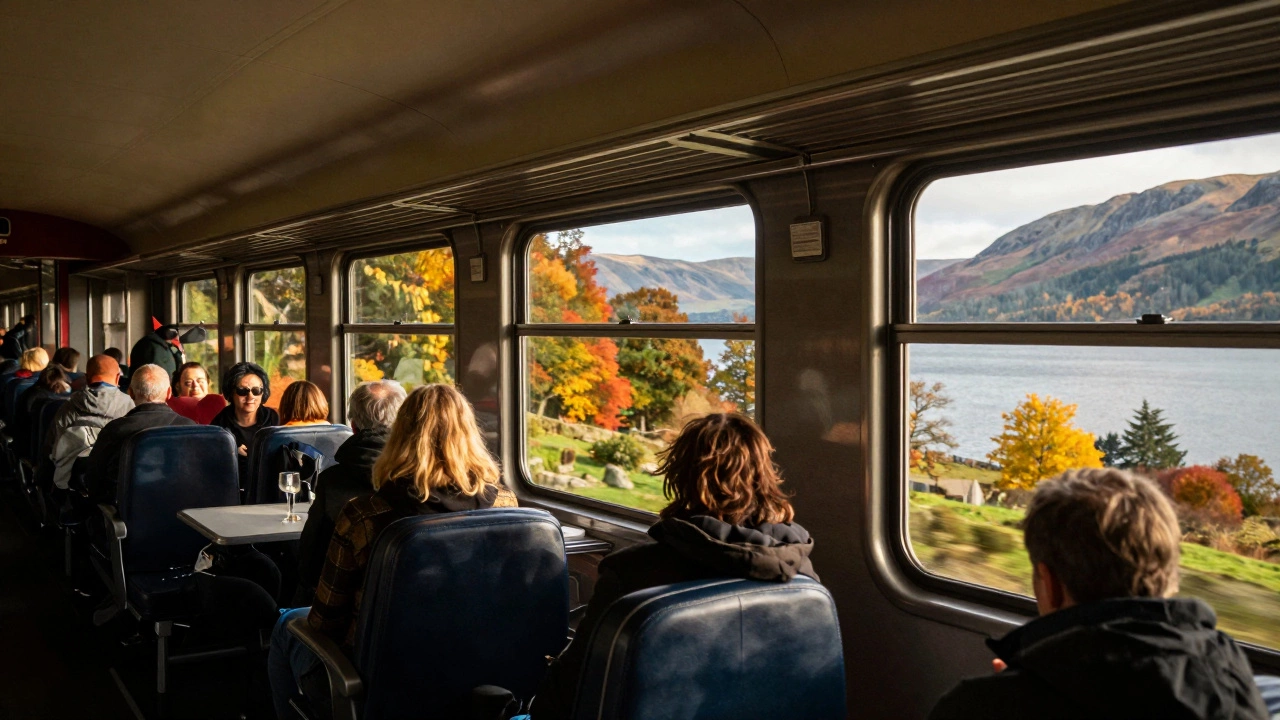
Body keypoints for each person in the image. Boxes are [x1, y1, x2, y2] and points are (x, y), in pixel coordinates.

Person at [530, 413, 817, 719]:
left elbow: (576, 685)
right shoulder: (800, 571)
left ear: (679, 476)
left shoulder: (631, 572)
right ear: (766, 476)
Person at [928, 468, 1268, 720]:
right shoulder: (1231, 677)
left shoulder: (973, 708)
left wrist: (1009, 697)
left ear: (1050, 584)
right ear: (1170, 579)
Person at [268, 384, 516, 719]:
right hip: (479, 674)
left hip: (381, 679)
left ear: (399, 434)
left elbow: (325, 621)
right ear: (471, 434)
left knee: (286, 625)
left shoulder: (366, 514)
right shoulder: (506, 505)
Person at [294, 380, 406, 606]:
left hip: (350, 610)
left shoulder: (332, 480)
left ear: (353, 426)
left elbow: (310, 559)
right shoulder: (425, 478)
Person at [85, 364, 196, 505]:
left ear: (130, 392)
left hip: (127, 520)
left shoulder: (115, 430)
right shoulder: (191, 428)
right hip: (182, 517)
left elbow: (94, 482)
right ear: (169, 393)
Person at [49, 355, 134, 491]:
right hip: (116, 488)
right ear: (118, 378)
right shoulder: (131, 408)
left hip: (73, 489)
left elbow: (55, 452)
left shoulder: (67, 408)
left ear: (87, 377)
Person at [211, 362, 279, 493]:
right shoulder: (219, 424)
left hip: (268, 489)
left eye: (256, 391)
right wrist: (230, 451)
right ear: (231, 392)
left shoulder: (273, 419)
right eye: (242, 391)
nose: (250, 397)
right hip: (230, 490)